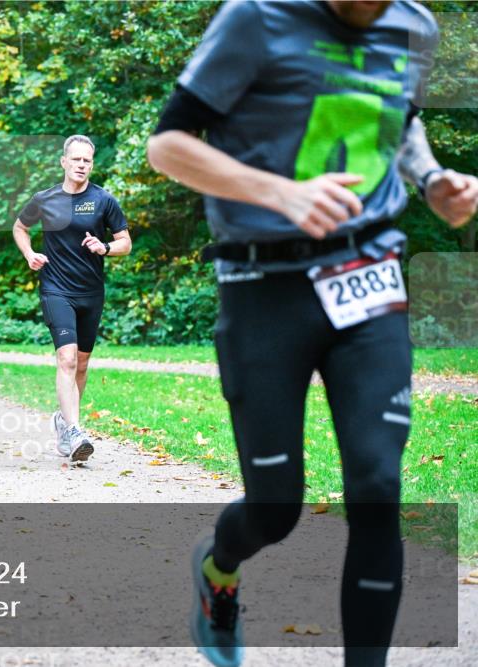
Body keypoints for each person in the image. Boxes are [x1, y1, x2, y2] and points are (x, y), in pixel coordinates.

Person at [146, 2, 478, 666]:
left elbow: (401, 121)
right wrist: (280, 193)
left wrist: (432, 178)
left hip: (369, 275)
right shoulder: (257, 18)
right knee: (276, 508)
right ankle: (218, 571)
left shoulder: (416, 27)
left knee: (378, 486)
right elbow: (168, 145)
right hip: (263, 286)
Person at [13, 135, 131, 462]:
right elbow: (20, 228)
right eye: (76, 159)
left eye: (87, 161)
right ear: (64, 162)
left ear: (92, 164)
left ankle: (63, 422)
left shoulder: (104, 200)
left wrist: (105, 247)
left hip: (91, 292)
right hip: (56, 289)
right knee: (66, 359)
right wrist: (29, 253)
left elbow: (125, 242)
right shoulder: (45, 199)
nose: (81, 165)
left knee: (81, 365)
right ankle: (75, 432)